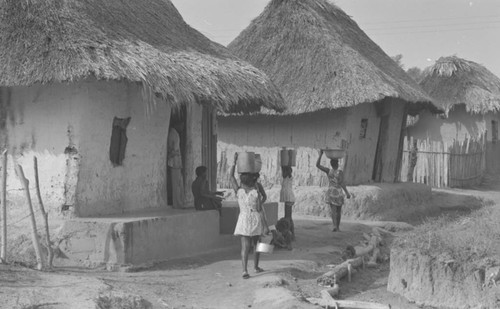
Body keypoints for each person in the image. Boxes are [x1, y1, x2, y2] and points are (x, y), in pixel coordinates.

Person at [230, 153, 269, 279]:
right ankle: (256, 267)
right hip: (255, 219)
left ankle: (244, 271)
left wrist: (234, 162)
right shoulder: (255, 193)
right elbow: (259, 209)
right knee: (257, 245)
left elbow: (231, 177)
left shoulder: (239, 192)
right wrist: (265, 226)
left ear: (242, 181)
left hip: (243, 220)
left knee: (244, 247)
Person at [316, 150, 351, 232]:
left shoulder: (328, 171)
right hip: (338, 193)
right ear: (338, 164)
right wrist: (347, 192)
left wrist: (320, 155)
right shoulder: (340, 172)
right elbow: (342, 183)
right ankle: (337, 227)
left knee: (333, 211)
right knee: (338, 211)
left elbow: (317, 165)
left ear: (331, 164)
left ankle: (334, 225)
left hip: (331, 192)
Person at [167, 121, 185, 208]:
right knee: (176, 184)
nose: (182, 128)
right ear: (177, 124)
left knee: (178, 183)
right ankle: (177, 204)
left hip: (177, 162)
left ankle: (179, 203)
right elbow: (170, 149)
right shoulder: (172, 134)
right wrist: (175, 153)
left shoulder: (175, 134)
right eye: (182, 125)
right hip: (174, 162)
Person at [280, 166, 295, 239]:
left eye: (284, 172)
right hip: (288, 199)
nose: (282, 173)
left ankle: (290, 234)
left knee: (288, 217)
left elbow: (286, 170)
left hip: (289, 199)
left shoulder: (288, 177)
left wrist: (287, 163)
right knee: (288, 217)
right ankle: (291, 234)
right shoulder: (285, 178)